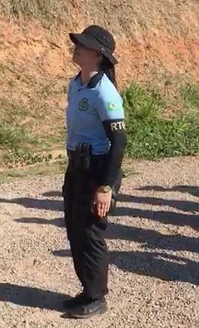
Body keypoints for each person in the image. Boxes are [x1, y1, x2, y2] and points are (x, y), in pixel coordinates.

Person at [62, 25, 127, 319]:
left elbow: (119, 141)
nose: (76, 48)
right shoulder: (75, 84)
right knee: (75, 230)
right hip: (76, 167)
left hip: (96, 170)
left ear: (97, 55)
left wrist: (106, 186)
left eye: (82, 45)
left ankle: (97, 296)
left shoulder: (105, 92)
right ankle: (87, 289)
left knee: (90, 234)